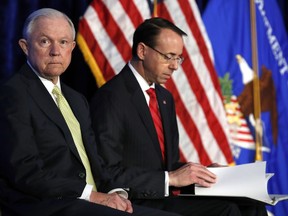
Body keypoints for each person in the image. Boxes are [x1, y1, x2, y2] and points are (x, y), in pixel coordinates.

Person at [0, 8, 182, 216]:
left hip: (91, 200)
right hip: (49, 204)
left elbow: (98, 166)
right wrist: (91, 195)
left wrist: (117, 194)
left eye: (63, 42)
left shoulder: (77, 100)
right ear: (25, 47)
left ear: (72, 47)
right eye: (44, 41)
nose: (55, 51)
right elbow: (26, 172)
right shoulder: (13, 95)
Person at [90, 17, 268, 216]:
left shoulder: (164, 97)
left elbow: (168, 165)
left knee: (252, 205)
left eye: (178, 58)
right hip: (137, 201)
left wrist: (204, 172)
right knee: (226, 211)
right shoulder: (111, 97)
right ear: (142, 51)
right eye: (168, 57)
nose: (175, 66)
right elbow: (107, 173)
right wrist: (170, 179)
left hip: (166, 196)